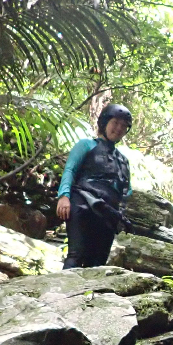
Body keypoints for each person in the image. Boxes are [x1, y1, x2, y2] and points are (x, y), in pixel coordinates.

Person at [56, 103, 134, 269]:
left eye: (123, 126)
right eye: (115, 123)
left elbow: (126, 191)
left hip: (108, 213)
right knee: (76, 255)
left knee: (98, 263)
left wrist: (121, 215)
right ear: (104, 123)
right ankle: (61, 286)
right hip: (83, 203)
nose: (119, 128)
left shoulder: (123, 160)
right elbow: (70, 170)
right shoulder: (86, 145)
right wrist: (64, 196)